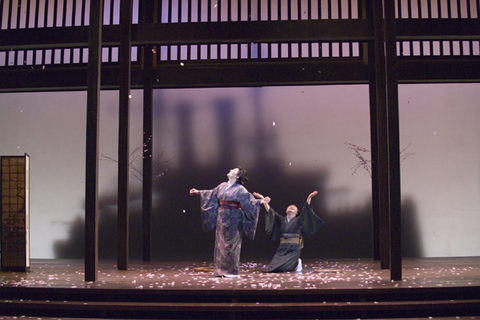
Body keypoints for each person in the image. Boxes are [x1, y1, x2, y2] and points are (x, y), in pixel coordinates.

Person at [190, 167, 270, 277]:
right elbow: (212, 193)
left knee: (232, 244)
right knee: (220, 244)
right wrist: (198, 192)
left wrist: (261, 201)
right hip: (221, 217)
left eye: (234, 170)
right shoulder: (223, 185)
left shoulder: (240, 189)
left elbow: (249, 201)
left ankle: (231, 271)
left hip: (234, 217)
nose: (231, 170)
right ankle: (220, 270)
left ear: (237, 176)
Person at [253, 191, 324, 273]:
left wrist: (309, 198)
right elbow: (270, 212)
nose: (291, 207)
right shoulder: (281, 220)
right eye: (290, 207)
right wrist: (262, 199)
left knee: (285, 268)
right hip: (283, 248)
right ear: (286, 211)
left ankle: (297, 262)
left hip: (294, 248)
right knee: (273, 268)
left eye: (294, 207)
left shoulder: (299, 220)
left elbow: (306, 211)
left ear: (297, 212)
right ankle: (291, 263)